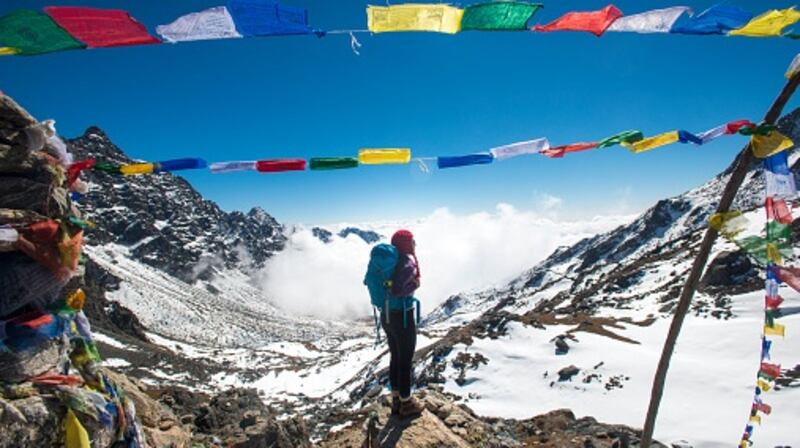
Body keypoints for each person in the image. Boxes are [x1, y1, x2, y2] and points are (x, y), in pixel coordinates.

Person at [384, 229, 424, 418]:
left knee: (395, 357)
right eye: (412, 241)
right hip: (402, 317)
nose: (415, 243)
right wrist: (414, 285)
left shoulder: (390, 262)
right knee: (405, 360)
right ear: (406, 244)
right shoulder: (406, 261)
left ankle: (396, 400)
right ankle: (407, 403)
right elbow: (399, 289)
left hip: (387, 315)